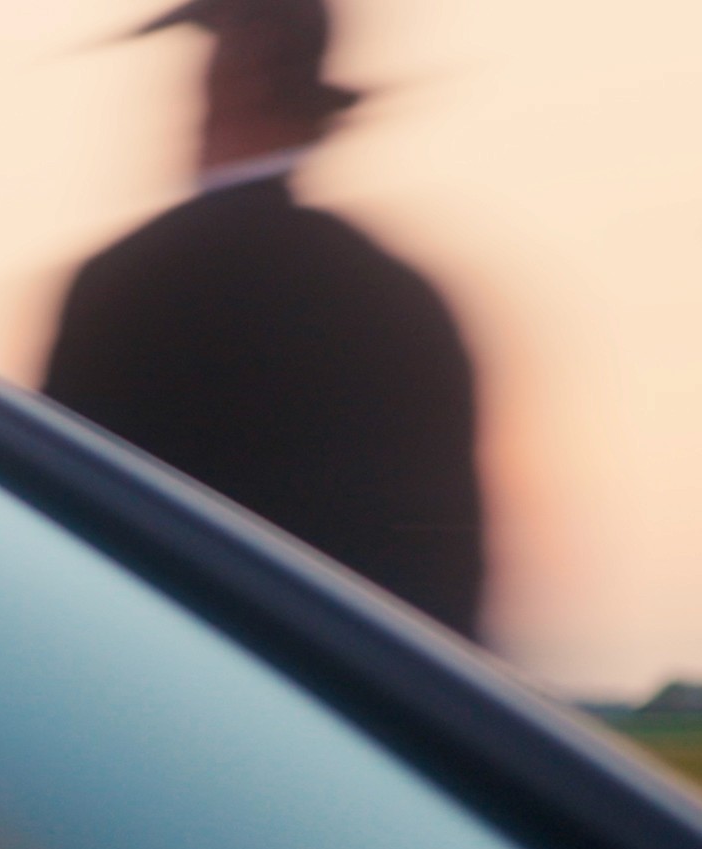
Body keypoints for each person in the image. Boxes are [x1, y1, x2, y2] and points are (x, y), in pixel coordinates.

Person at [43, 0, 489, 639]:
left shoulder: (131, 286)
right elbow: (450, 586)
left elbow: (58, 533)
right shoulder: (404, 297)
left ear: (236, 74)